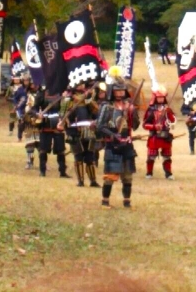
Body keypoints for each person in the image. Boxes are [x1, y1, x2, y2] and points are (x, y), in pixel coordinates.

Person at [95, 67, 140, 209]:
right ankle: (105, 201)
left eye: (122, 90)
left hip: (127, 144)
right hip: (113, 145)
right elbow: (100, 126)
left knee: (128, 176)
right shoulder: (106, 107)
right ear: (111, 91)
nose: (120, 93)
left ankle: (127, 202)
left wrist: (133, 112)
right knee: (110, 176)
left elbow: (136, 125)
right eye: (117, 91)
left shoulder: (128, 106)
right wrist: (113, 135)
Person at [61, 82, 100, 187]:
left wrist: (89, 101)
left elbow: (96, 113)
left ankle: (93, 181)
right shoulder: (67, 99)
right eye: (78, 84)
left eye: (82, 84)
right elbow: (62, 115)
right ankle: (80, 181)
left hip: (88, 130)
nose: (80, 86)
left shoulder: (88, 97)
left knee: (89, 157)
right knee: (78, 157)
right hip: (74, 131)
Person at [33, 86, 70, 178]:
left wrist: (65, 98)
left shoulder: (61, 93)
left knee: (60, 149)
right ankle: (42, 170)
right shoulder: (41, 94)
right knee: (43, 150)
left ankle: (62, 171)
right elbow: (33, 109)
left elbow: (66, 108)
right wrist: (37, 114)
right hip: (45, 124)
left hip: (58, 124)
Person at [143, 86, 177, 180]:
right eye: (159, 97)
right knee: (151, 156)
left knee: (167, 156)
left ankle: (168, 173)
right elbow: (145, 125)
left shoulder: (168, 109)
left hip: (165, 136)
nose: (161, 99)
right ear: (155, 98)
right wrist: (154, 127)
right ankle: (149, 173)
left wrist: (169, 113)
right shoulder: (151, 110)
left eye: (162, 97)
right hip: (154, 136)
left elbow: (173, 121)